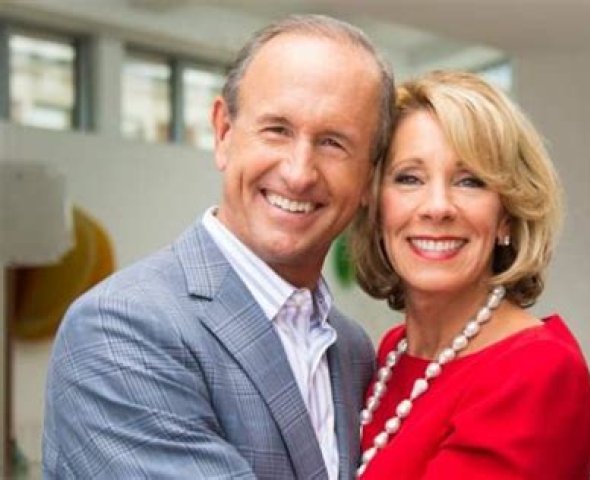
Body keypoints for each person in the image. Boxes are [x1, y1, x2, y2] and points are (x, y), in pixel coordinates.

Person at [42, 14, 394, 479]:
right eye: (277, 129)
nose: (298, 173)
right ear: (224, 132)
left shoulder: (352, 351)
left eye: (333, 142)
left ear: (369, 177)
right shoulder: (120, 327)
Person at [351, 70, 590, 479]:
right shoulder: (392, 353)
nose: (437, 207)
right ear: (377, 206)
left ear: (507, 215)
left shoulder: (536, 371)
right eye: (409, 178)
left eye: (470, 181)